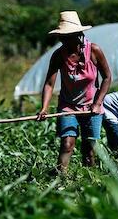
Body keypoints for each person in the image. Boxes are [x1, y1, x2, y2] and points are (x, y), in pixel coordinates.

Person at [37, 11, 112, 172]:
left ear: (77, 34)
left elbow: (107, 77)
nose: (61, 40)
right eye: (61, 36)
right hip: (68, 106)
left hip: (92, 107)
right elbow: (49, 84)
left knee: (89, 150)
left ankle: (88, 184)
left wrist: (98, 104)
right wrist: (44, 108)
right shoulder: (58, 55)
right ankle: (59, 180)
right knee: (67, 144)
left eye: (65, 36)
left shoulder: (94, 51)